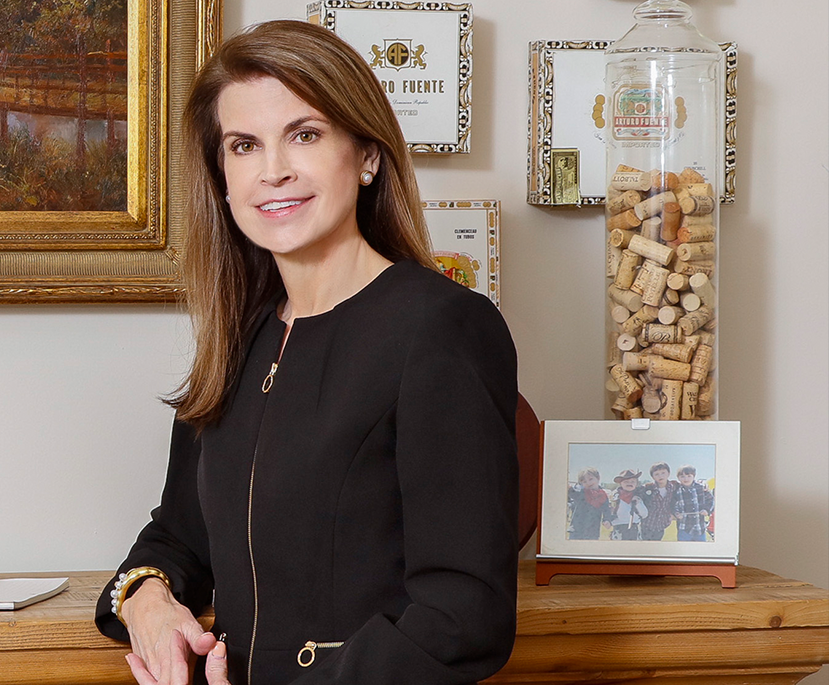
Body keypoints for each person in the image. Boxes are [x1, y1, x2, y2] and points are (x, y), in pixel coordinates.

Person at [93, 20, 518, 685]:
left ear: (367, 156)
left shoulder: (444, 327)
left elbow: (464, 615)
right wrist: (146, 599)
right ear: (222, 176)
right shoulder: (238, 338)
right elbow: (178, 538)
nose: (274, 171)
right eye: (244, 145)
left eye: (305, 134)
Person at [567, 468, 612, 541]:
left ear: (598, 478)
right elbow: (571, 492)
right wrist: (568, 487)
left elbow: (606, 509)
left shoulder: (603, 495)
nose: (588, 483)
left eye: (590, 479)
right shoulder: (581, 493)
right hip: (577, 530)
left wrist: (607, 520)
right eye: (584, 482)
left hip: (593, 531)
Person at [673, 465, 715, 541]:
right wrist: (676, 513)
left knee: (700, 547)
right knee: (684, 547)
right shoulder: (676, 490)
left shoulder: (701, 488)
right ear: (678, 478)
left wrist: (707, 510)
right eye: (682, 476)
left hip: (699, 528)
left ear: (694, 476)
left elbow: (711, 500)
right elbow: (673, 504)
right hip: (684, 528)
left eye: (689, 476)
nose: (686, 479)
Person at [638, 462, 678, 541]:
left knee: (657, 544)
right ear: (652, 477)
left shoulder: (673, 488)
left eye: (663, 473)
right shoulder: (648, 488)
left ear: (668, 473)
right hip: (647, 523)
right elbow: (635, 493)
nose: (660, 476)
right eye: (656, 474)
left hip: (661, 524)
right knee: (644, 545)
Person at [608, 470, 649, 540]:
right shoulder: (615, 497)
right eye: (626, 482)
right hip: (618, 527)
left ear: (636, 484)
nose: (629, 483)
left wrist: (638, 504)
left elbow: (644, 514)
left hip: (634, 527)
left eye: (632, 481)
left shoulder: (638, 497)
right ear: (621, 483)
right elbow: (610, 512)